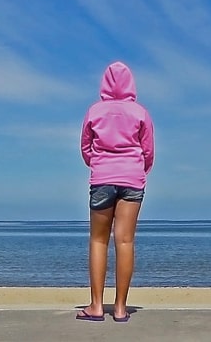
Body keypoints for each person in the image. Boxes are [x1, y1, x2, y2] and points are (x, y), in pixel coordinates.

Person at [77, 61, 155, 322]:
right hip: (133, 179)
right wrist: (138, 170)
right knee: (125, 241)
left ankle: (97, 306)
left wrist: (98, 164)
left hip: (102, 178)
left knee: (99, 240)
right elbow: (148, 151)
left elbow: (85, 148)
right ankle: (120, 308)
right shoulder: (140, 112)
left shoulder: (94, 111)